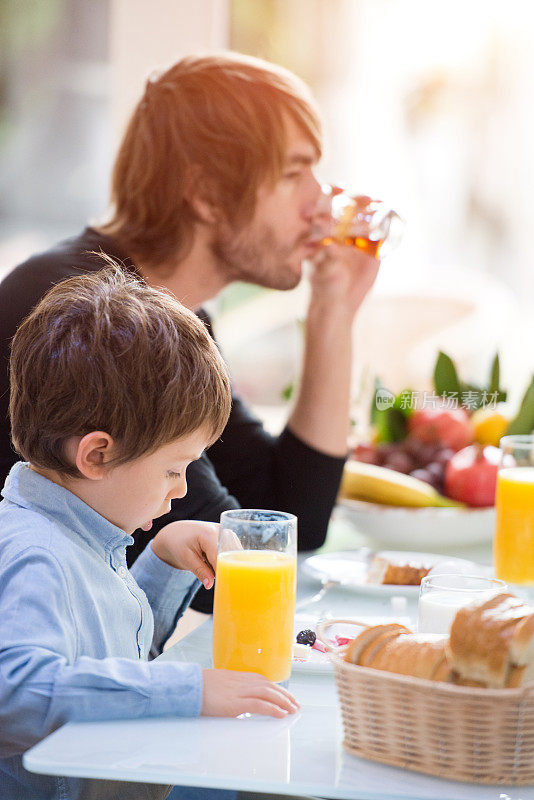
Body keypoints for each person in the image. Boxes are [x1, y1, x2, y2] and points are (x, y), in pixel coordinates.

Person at [0, 52, 380, 616]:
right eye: (293, 174)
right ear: (205, 195)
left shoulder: (173, 315)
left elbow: (290, 512)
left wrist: (334, 314)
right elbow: (221, 564)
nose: (322, 207)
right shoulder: (93, 316)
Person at [0, 266, 299, 800]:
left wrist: (160, 560)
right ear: (97, 454)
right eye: (173, 468)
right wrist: (191, 689)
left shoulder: (82, 532)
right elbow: (17, 693)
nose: (182, 489)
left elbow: (112, 663)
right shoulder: (36, 553)